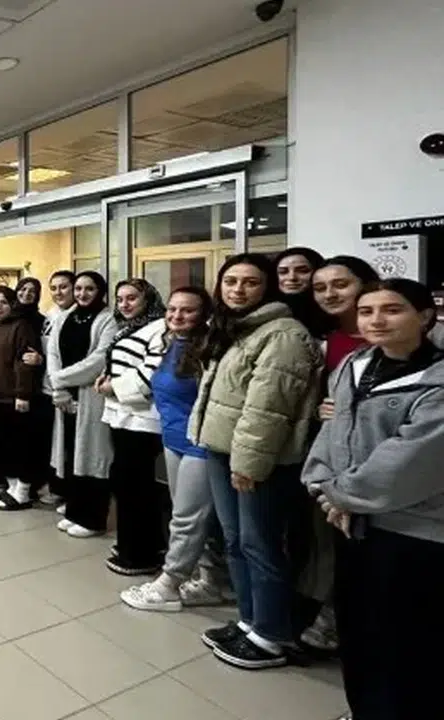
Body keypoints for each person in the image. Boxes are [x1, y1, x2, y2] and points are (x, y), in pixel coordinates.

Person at [302, 278, 444, 720]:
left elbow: (409, 461)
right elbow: (333, 430)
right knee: (358, 628)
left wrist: (341, 495)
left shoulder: (436, 380)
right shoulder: (354, 365)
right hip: (350, 521)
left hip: (411, 529)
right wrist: (323, 486)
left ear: (425, 316)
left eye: (392, 310)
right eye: (366, 312)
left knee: (406, 639)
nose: (376, 320)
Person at [191, 253, 322, 670]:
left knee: (260, 544)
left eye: (250, 282)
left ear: (267, 288)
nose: (238, 289)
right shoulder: (236, 327)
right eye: (231, 281)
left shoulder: (284, 334)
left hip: (257, 459)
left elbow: (268, 409)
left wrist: (248, 463)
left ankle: (271, 634)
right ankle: (249, 621)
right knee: (236, 541)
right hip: (222, 448)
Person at [120, 287, 233, 612]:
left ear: (205, 314)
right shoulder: (171, 344)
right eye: (172, 309)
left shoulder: (211, 350)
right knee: (197, 518)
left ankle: (169, 584)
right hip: (173, 440)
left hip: (201, 444)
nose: (177, 316)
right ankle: (212, 581)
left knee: (186, 518)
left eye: (187, 310)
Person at [294, 255, 379, 654]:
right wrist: (320, 408)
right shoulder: (327, 340)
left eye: (340, 285)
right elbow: (317, 399)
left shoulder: (410, 339)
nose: (329, 294)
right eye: (320, 288)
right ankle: (331, 617)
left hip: (383, 460)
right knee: (331, 542)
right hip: (335, 459)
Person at [94, 279, 168, 573]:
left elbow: (153, 372)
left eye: (132, 298)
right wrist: (105, 378)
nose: (124, 304)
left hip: (142, 419)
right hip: (121, 415)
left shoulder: (160, 328)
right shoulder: (128, 327)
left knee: (135, 486)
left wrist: (114, 386)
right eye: (120, 298)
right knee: (124, 482)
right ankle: (133, 542)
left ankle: (139, 555)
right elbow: (120, 362)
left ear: (148, 299)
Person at [47, 271, 116, 538]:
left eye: (89, 289)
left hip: (91, 396)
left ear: (100, 291)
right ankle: (74, 510)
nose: (82, 294)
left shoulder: (108, 319)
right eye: (78, 288)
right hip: (65, 396)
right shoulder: (66, 316)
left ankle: (92, 519)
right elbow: (53, 352)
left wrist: (59, 379)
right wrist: (59, 388)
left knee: (91, 456)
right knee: (70, 452)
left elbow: (99, 360)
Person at [0, 286, 43, 506]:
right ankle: (12, 487)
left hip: (15, 398)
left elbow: (24, 364)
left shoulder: (21, 327)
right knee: (2, 445)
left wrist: (22, 394)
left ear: (12, 304)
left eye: (3, 302)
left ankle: (23, 492)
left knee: (19, 446)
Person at [23, 272, 71, 504]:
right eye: (54, 288)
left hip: (64, 391)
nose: (58, 292)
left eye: (64, 287)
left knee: (65, 446)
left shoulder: (74, 317)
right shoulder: (50, 315)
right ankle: (49, 485)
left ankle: (63, 491)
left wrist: (42, 361)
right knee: (48, 443)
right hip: (45, 388)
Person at [276, 247, 328, 337]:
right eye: (283, 272)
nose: (292, 277)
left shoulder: (334, 310)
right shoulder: (265, 315)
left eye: (302, 271)